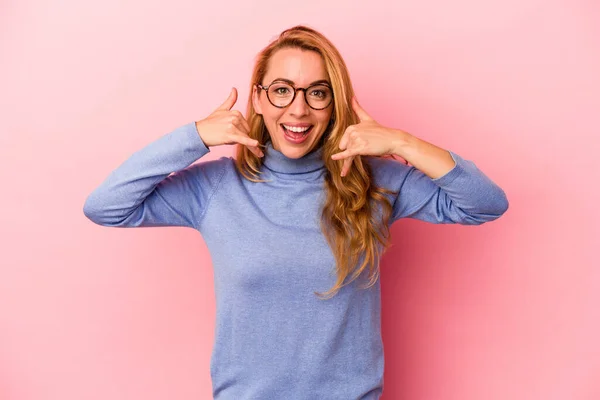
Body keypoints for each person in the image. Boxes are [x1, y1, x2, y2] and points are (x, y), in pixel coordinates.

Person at [83, 25, 508, 400]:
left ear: (334, 104)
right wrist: (193, 137)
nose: (298, 109)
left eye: (317, 93)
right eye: (282, 90)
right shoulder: (215, 187)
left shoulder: (375, 180)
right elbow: (106, 206)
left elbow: (486, 203)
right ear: (259, 98)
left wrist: (402, 143)